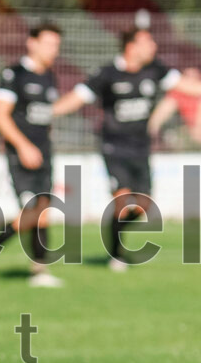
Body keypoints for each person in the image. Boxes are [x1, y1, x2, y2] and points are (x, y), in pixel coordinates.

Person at [59, 28, 201, 271]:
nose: (153, 46)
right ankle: (116, 253)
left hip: (141, 148)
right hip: (114, 147)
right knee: (123, 200)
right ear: (131, 46)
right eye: (148, 42)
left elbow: (188, 86)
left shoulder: (155, 69)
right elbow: (78, 97)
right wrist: (50, 112)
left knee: (143, 206)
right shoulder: (107, 74)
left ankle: (114, 236)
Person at [0, 22, 68, 288]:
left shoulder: (50, 76)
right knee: (31, 211)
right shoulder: (13, 74)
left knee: (44, 211)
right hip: (21, 153)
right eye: (49, 44)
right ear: (32, 43)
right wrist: (24, 145)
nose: (54, 50)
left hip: (44, 153)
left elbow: (46, 116)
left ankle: (39, 271)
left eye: (57, 45)